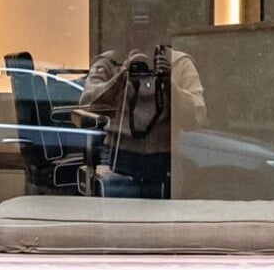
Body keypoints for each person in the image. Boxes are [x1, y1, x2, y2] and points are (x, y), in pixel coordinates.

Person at [77, 34, 203, 198]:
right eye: (137, 31)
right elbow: (87, 102)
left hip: (164, 158)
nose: (142, 38)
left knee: (164, 221)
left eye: (149, 30)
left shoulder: (179, 63)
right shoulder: (109, 62)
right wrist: (121, 77)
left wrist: (169, 83)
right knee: (116, 220)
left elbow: (197, 116)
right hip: (119, 156)